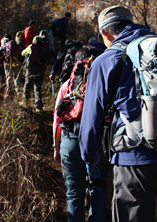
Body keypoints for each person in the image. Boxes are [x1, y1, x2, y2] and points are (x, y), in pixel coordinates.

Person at [78, 5, 157, 221]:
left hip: (136, 160)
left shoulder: (106, 60)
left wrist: (89, 158)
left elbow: (92, 117)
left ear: (105, 33)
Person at [53, 45, 108, 222]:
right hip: (98, 141)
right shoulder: (106, 83)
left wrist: (56, 147)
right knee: (98, 188)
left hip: (71, 139)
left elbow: (57, 119)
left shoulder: (67, 86)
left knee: (74, 192)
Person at [21, 36, 53, 112]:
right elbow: (51, 56)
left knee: (27, 85)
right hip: (41, 69)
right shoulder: (45, 48)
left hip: (31, 68)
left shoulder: (32, 46)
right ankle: (38, 106)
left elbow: (22, 53)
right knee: (37, 87)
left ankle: (26, 102)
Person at [0, 34, 23, 98]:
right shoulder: (13, 43)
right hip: (16, 61)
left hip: (7, 62)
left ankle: (9, 92)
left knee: (9, 76)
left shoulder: (4, 43)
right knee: (16, 76)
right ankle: (18, 91)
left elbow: (0, 50)